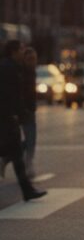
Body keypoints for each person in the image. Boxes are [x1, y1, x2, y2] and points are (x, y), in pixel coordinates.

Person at [0, 40, 46, 201]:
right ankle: (27, 190)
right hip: (7, 118)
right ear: (13, 51)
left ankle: (27, 190)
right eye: (20, 49)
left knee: (17, 154)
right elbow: (11, 96)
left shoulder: (13, 67)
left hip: (10, 117)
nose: (23, 51)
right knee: (15, 151)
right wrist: (18, 114)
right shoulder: (9, 69)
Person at [20, 47, 38, 178]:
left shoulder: (32, 72)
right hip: (22, 109)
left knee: (31, 138)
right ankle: (27, 165)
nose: (32, 61)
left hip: (30, 109)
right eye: (29, 59)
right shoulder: (21, 72)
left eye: (34, 59)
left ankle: (28, 163)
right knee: (29, 138)